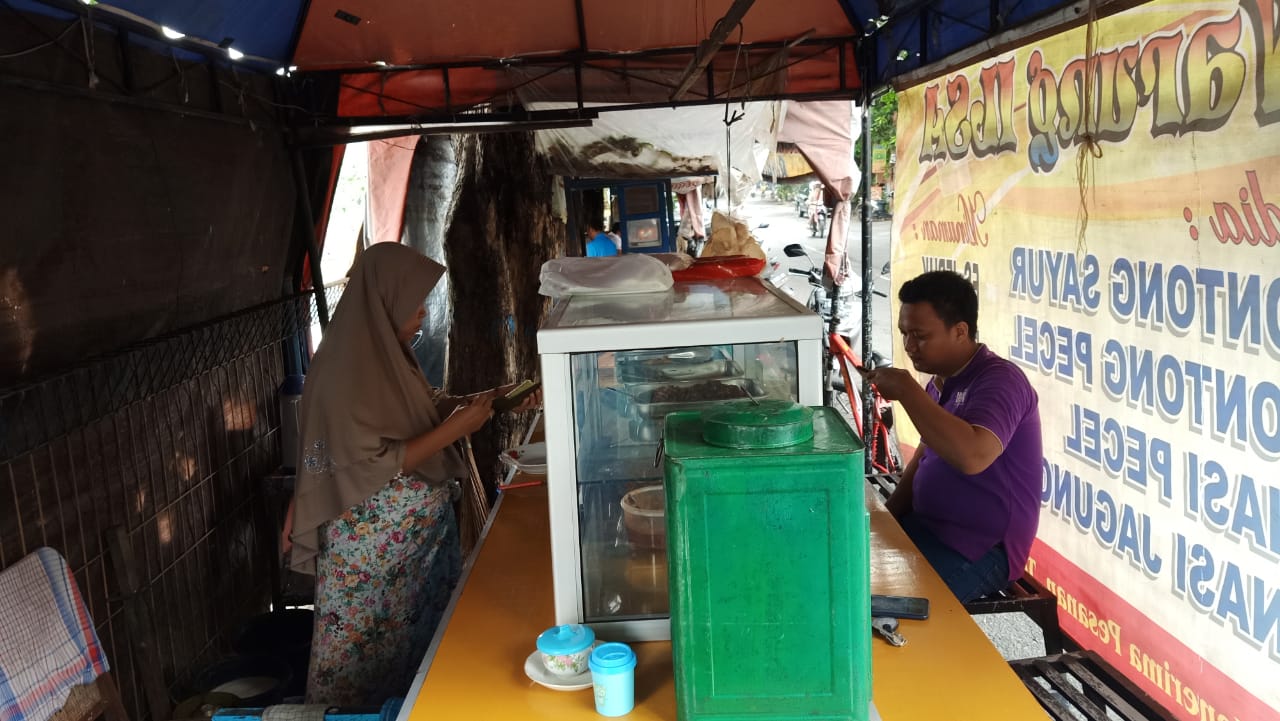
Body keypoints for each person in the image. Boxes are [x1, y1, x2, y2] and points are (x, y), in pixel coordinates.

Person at [285, 242, 539, 704]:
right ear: (384, 299)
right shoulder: (342, 371)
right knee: (358, 663)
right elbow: (379, 460)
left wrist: (495, 398)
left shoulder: (389, 353)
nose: (422, 312)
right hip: (369, 559)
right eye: (414, 301)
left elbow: (424, 410)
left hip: (413, 548)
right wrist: (458, 427)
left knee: (417, 657)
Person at [862, 270, 1042, 603]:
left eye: (919, 335)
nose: (909, 346)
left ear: (960, 331)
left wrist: (907, 390)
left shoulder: (1001, 381)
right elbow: (923, 457)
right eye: (904, 334)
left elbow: (973, 456)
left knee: (878, 606)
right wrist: (889, 518)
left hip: (979, 549)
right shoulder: (940, 381)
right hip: (926, 526)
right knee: (847, 573)